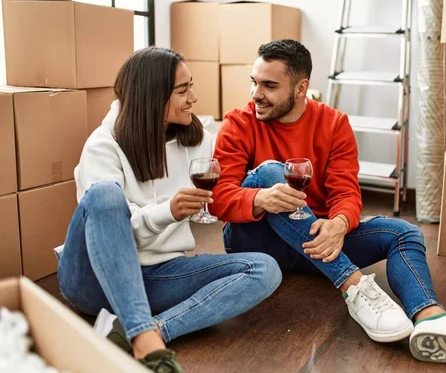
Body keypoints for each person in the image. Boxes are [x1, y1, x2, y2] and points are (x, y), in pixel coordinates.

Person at [211, 39, 446, 368]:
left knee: (404, 233)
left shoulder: (333, 124)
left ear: (300, 88)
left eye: (269, 85)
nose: (256, 94)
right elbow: (218, 200)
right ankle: (354, 288)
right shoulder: (238, 123)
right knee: (272, 173)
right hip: (256, 241)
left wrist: (338, 224)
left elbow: (347, 193)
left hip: (316, 243)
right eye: (254, 82)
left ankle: (431, 318)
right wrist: (261, 198)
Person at [56, 47, 282, 373]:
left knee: (264, 269)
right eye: (183, 90)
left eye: (191, 85)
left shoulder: (196, 139)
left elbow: (230, 177)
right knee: (105, 195)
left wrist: (260, 195)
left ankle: (147, 331)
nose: (193, 97)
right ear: (152, 96)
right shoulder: (103, 145)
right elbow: (111, 233)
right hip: (93, 280)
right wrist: (169, 212)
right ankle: (145, 339)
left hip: (159, 275)